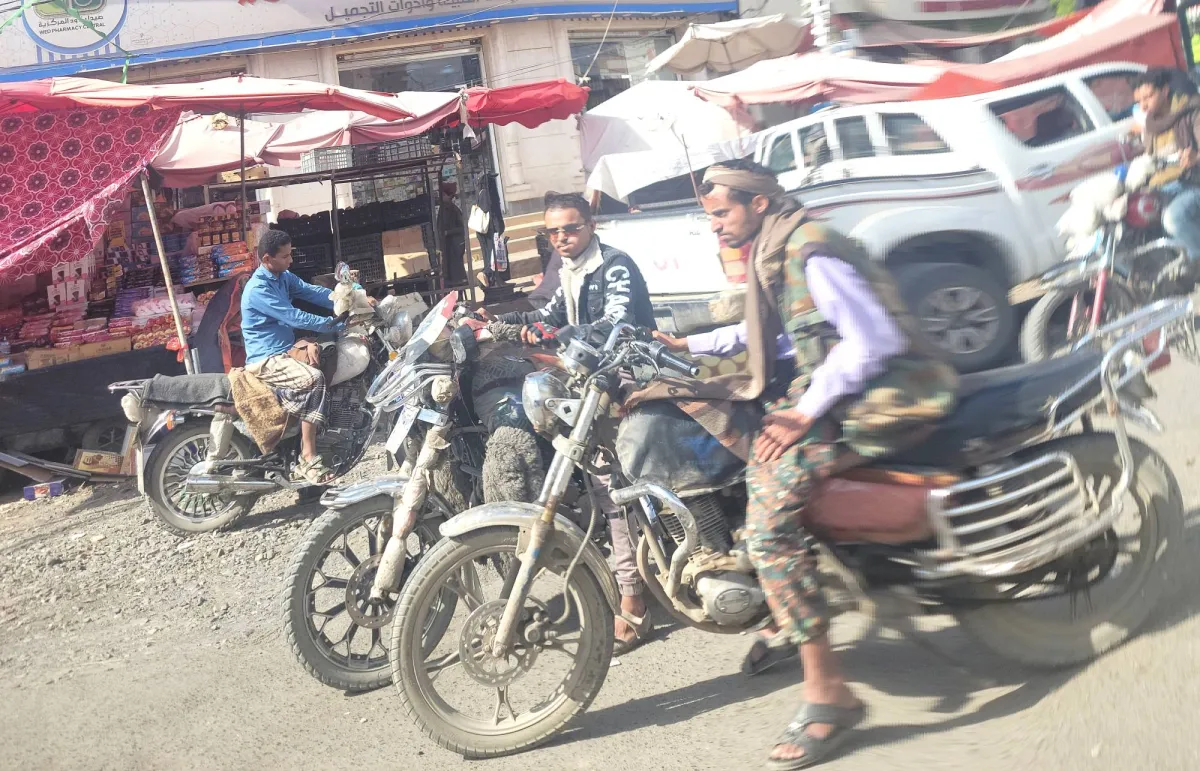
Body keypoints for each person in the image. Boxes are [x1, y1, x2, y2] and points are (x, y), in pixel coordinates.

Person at [637, 160, 957, 768]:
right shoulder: (775, 249)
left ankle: (830, 695)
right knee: (744, 454)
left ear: (757, 204)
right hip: (839, 391)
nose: (714, 226)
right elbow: (779, 334)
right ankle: (791, 609)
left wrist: (803, 414)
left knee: (768, 531)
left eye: (720, 213)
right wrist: (687, 346)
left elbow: (873, 341)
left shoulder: (809, 250)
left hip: (885, 396)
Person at [490, 191, 656, 654]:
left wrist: (558, 333)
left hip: (630, 376)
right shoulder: (568, 269)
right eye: (553, 232)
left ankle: (633, 597)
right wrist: (493, 321)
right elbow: (547, 315)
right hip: (591, 378)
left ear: (591, 225)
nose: (561, 238)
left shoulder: (614, 266)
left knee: (610, 486)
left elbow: (617, 323)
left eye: (570, 228)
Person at [240, 229, 344, 485]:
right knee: (314, 379)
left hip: (284, 350)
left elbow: (313, 292)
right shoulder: (258, 289)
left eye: (290, 254)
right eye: (285, 256)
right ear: (267, 259)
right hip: (266, 359)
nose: (291, 260)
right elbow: (294, 317)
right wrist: (335, 324)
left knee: (327, 357)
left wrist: (351, 297)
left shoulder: (283, 276)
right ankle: (308, 456)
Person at [1134, 68, 1200, 278]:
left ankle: (1196, 262)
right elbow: (1144, 156)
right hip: (1162, 189)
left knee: (1173, 218)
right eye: (1139, 101)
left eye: (1148, 97)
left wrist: (1195, 157)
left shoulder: (1190, 112)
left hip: (1192, 183)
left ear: (1164, 91)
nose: (1143, 105)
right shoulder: (1150, 126)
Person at [437, 181, 468, 286]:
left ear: (449, 196)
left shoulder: (454, 210)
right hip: (447, 246)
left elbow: (462, 228)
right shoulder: (443, 209)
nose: (441, 197)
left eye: (443, 195)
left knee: (456, 274)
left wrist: (448, 232)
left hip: (454, 246)